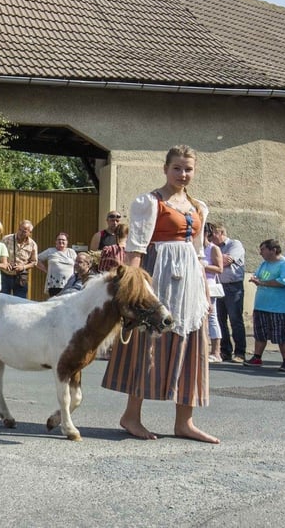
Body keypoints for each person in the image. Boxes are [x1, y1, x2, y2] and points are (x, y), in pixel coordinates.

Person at [102, 145, 218, 444]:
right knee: (147, 342)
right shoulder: (151, 202)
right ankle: (131, 415)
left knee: (192, 342)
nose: (183, 174)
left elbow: (197, 252)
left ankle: (185, 422)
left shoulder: (198, 207)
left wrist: (205, 292)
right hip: (159, 274)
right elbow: (136, 249)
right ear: (165, 169)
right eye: (177, 168)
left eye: (188, 169)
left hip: (189, 281)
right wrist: (132, 289)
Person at [245, 240, 285, 372]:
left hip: (279, 307)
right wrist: (256, 279)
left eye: (263, 249)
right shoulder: (264, 264)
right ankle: (257, 357)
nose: (260, 252)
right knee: (260, 334)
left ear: (273, 250)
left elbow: (282, 283)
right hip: (262, 305)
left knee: (282, 336)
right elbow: (258, 276)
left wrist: (262, 282)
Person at [211, 223, 246, 363]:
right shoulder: (213, 248)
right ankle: (225, 351)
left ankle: (240, 352)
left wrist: (214, 260)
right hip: (218, 286)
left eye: (212, 233)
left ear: (221, 232)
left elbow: (226, 261)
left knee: (235, 319)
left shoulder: (234, 244)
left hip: (233, 287)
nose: (209, 237)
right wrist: (217, 259)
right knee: (220, 320)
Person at [201, 225, 224, 363]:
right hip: (196, 285)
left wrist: (203, 265)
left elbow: (219, 269)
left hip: (209, 286)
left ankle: (216, 352)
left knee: (212, 318)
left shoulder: (213, 248)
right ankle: (203, 348)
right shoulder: (194, 248)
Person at [0, 220, 38, 298]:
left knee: (20, 302)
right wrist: (6, 263)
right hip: (5, 275)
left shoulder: (32, 244)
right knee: (1, 299)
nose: (20, 233)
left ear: (29, 233)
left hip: (21, 277)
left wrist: (23, 267)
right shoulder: (6, 239)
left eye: (24, 231)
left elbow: (34, 262)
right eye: (19, 230)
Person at [36, 232, 77, 297]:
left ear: (67, 242)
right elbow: (36, 259)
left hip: (69, 284)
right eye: (59, 239)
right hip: (54, 284)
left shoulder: (71, 252)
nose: (61, 241)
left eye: (63, 240)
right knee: (54, 304)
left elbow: (77, 264)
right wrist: (46, 270)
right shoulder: (50, 251)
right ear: (56, 242)